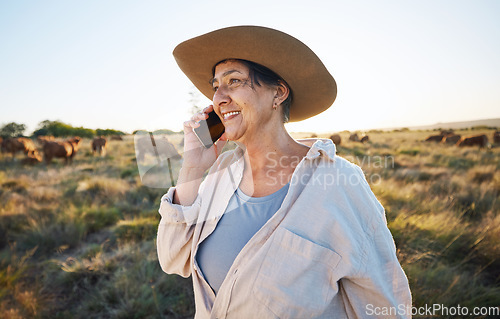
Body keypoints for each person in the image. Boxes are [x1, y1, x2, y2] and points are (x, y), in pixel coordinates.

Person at [157, 25, 412, 318]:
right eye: (216, 86)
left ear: (277, 93)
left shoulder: (340, 183)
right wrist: (192, 166)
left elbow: (385, 307)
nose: (219, 98)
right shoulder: (220, 176)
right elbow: (173, 259)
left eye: (234, 81)